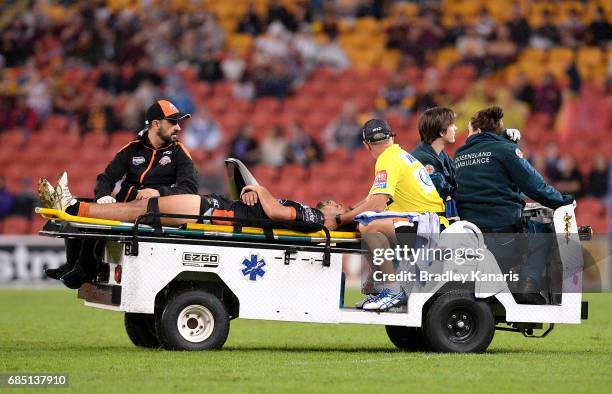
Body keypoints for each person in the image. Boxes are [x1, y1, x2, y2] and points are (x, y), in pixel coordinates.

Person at [45, 99, 198, 288]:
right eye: (173, 122)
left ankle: (84, 270)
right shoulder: (131, 149)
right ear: (156, 124)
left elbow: (189, 189)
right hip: (122, 206)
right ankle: (72, 264)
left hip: (149, 213)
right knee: (75, 205)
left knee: (95, 215)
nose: (178, 128)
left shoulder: (179, 152)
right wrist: (103, 196)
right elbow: (106, 178)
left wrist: (158, 192)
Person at [454, 106, 573, 304]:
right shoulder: (506, 150)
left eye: (469, 130)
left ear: (477, 130)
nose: (467, 134)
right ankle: (528, 286)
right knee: (543, 232)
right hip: (501, 235)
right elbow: (534, 186)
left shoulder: (459, 154)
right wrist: (564, 201)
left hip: (470, 235)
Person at [326, 119, 447, 311]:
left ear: (366, 144)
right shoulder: (397, 155)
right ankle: (379, 288)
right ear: (391, 136)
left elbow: (376, 205)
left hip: (428, 225)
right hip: (431, 222)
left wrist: (339, 219)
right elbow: (369, 200)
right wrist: (348, 215)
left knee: (368, 225)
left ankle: (391, 290)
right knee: (365, 223)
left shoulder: (386, 159)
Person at [37, 176, 348, 237]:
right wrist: (254, 194)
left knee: (139, 209)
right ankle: (73, 205)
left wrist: (261, 190)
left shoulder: (317, 217)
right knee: (141, 207)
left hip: (212, 212)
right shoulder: (315, 215)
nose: (333, 203)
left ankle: (73, 206)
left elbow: (278, 212)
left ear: (336, 217)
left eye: (338, 205)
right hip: (217, 210)